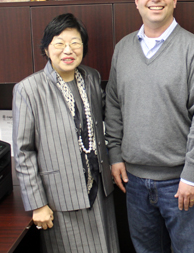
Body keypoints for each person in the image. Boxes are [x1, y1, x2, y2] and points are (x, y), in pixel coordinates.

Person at [105, 0, 194, 253]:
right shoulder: (123, 49)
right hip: (134, 182)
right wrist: (115, 155)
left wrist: (193, 174)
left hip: (182, 183)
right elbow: (114, 106)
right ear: (136, 0)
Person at [12, 13, 119, 253]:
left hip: (101, 194)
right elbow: (23, 151)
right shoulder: (28, 89)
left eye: (75, 43)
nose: (67, 50)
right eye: (59, 43)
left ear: (83, 47)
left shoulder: (91, 78)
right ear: (47, 49)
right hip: (60, 199)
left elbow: (107, 117)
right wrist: (37, 204)